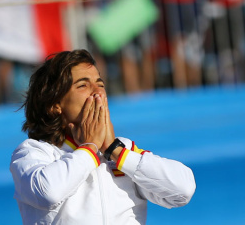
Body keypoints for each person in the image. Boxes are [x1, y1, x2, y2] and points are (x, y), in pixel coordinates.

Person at [10, 49, 196, 224]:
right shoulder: (33, 152)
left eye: (100, 84)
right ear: (54, 104)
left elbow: (183, 190)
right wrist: (90, 148)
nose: (97, 92)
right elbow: (48, 192)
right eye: (83, 85)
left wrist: (114, 150)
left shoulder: (123, 148)